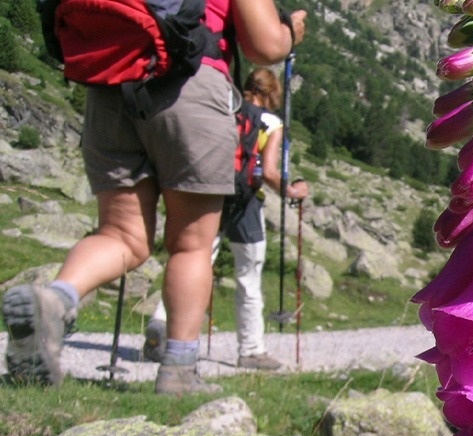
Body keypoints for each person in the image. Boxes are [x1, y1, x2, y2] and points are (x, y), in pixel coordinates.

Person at [1, 0, 307, 394]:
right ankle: (179, 371)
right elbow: (264, 45)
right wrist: (290, 34)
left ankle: (55, 301)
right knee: (191, 246)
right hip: (190, 87)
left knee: (120, 236)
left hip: (110, 88)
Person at [144, 66, 310, 371]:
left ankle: (161, 321)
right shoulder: (270, 123)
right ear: (269, 94)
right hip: (246, 203)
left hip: (210, 192)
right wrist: (291, 191)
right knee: (248, 276)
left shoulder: (224, 109)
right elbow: (270, 172)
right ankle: (251, 349)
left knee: (195, 260)